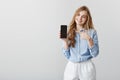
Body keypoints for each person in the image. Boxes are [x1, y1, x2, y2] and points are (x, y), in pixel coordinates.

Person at [60, 6, 99, 80]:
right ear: (75, 15)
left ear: (87, 19)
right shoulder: (68, 32)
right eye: (78, 15)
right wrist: (65, 41)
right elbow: (67, 55)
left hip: (86, 66)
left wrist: (89, 39)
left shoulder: (92, 32)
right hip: (72, 66)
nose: (80, 18)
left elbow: (95, 54)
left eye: (83, 16)